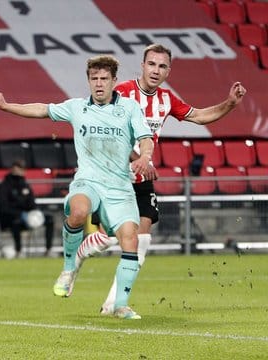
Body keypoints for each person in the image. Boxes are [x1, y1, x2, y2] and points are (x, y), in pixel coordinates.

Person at [71, 43, 247, 315]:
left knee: (141, 240)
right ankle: (83, 251)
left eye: (162, 66)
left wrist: (230, 104)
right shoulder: (121, 93)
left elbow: (199, 116)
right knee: (109, 239)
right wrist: (137, 157)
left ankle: (115, 304)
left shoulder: (166, 99)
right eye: (151, 64)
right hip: (111, 176)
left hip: (140, 176)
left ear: (168, 71)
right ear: (142, 65)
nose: (156, 70)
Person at [0, 55, 154, 319]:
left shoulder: (131, 108)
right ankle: (69, 268)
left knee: (131, 241)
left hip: (119, 187)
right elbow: (42, 109)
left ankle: (120, 305)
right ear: (88, 81)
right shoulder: (77, 107)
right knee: (77, 211)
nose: (99, 84)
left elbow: (145, 138)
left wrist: (145, 157)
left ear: (114, 81)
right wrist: (7, 106)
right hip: (88, 180)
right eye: (94, 79)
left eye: (104, 79)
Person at [0, 159, 54, 257]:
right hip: (11, 217)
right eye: (17, 168)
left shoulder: (25, 185)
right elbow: (2, 207)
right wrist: (20, 213)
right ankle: (18, 250)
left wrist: (34, 213)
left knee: (49, 219)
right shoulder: (4, 186)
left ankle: (48, 249)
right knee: (16, 222)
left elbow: (32, 204)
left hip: (28, 217)